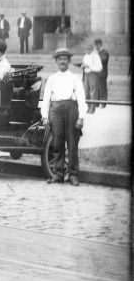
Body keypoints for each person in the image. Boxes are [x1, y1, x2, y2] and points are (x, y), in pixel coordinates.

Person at [41, 48, 87, 186]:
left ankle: (73, 175)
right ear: (56, 61)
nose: (62, 61)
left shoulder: (75, 78)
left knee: (72, 143)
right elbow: (46, 99)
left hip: (71, 110)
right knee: (57, 143)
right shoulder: (52, 79)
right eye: (60, 59)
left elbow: (81, 98)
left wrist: (81, 117)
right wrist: (45, 116)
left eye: (65, 59)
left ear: (69, 61)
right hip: (55, 111)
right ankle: (58, 174)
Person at [78, 42, 103, 114]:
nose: (87, 50)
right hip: (86, 74)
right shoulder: (85, 56)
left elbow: (99, 67)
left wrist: (89, 66)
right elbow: (84, 65)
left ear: (92, 49)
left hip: (93, 74)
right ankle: (88, 107)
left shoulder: (96, 56)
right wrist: (82, 66)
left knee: (93, 92)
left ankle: (92, 108)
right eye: (86, 49)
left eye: (89, 49)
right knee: (86, 92)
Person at [94, 39, 110, 108]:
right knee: (97, 88)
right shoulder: (96, 53)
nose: (96, 47)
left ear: (100, 44)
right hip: (96, 73)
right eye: (95, 46)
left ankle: (103, 103)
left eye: (97, 45)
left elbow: (102, 60)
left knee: (102, 88)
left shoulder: (105, 53)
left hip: (102, 74)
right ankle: (97, 103)